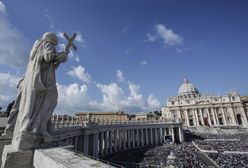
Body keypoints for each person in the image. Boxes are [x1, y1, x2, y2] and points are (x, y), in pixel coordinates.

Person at [12, 32, 69, 150]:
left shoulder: (37, 47)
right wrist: (61, 55)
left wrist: (62, 56)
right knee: (51, 101)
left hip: (37, 80)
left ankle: (35, 128)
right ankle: (38, 129)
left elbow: (52, 64)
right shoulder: (47, 44)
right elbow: (49, 57)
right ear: (53, 40)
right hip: (45, 81)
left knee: (35, 105)